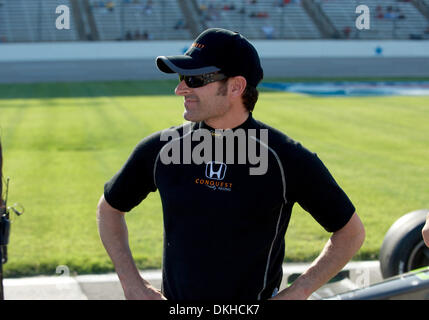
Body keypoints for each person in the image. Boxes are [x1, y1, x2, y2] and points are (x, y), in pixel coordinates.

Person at [97, 28, 365, 300]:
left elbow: (350, 232)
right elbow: (109, 209)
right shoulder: (161, 149)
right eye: (181, 77)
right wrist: (132, 284)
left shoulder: (285, 159)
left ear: (236, 86)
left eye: (195, 78)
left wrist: (300, 291)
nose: (180, 89)